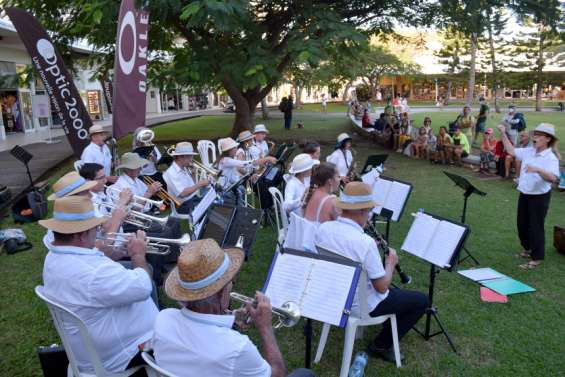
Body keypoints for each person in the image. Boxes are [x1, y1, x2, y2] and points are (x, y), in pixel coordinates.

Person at [152, 239, 315, 377]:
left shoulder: (163, 319)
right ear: (221, 294)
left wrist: (232, 320)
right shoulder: (237, 349)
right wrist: (265, 327)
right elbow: (278, 373)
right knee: (305, 374)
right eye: (231, 284)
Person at [40, 195, 158, 374]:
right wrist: (137, 255)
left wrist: (106, 254)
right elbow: (143, 286)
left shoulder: (54, 256)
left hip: (92, 349)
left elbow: (90, 282)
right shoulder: (94, 273)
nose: (100, 231)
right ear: (80, 236)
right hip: (122, 355)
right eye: (95, 228)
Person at [315, 182, 428, 363]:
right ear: (361, 211)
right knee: (421, 300)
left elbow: (344, 250)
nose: (369, 216)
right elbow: (382, 287)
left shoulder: (323, 229)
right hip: (360, 305)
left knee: (399, 296)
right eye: (369, 211)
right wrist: (390, 263)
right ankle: (381, 345)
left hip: (333, 295)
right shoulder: (364, 242)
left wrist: (371, 254)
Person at [497, 123, 560, 269]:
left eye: (538, 135)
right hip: (525, 193)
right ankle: (528, 249)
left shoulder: (550, 157)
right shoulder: (529, 151)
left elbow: (553, 178)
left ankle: (537, 258)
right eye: (535, 134)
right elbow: (511, 151)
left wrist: (538, 170)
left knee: (536, 226)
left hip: (540, 196)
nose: (534, 137)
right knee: (522, 224)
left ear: (548, 139)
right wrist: (503, 133)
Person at [163, 142, 211, 214]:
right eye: (190, 156)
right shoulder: (170, 173)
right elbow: (182, 194)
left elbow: (192, 187)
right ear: (181, 157)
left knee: (211, 201)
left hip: (192, 199)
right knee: (209, 209)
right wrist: (200, 184)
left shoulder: (184, 167)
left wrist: (193, 174)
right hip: (183, 205)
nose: (192, 159)